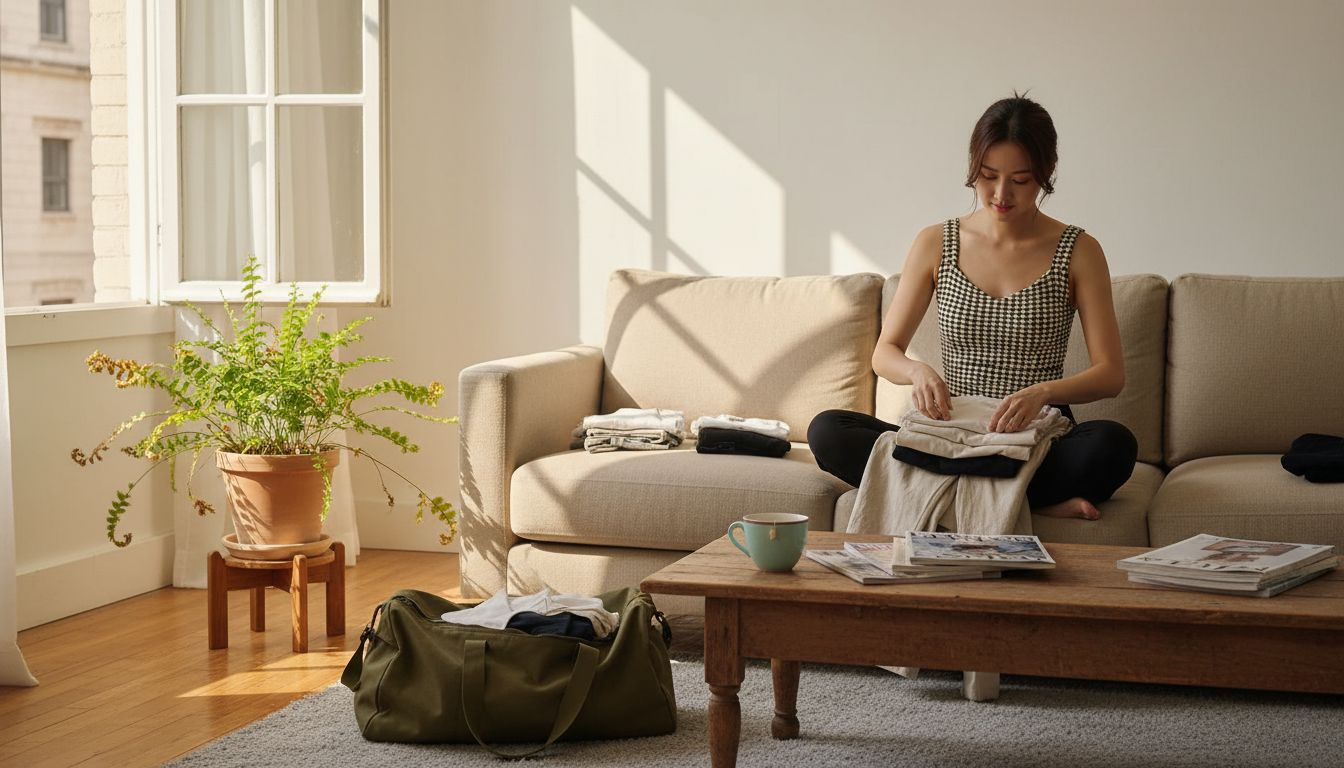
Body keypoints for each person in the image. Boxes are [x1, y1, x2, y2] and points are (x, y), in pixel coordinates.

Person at [809, 94, 1137, 521]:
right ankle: (1029, 500)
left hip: (1033, 435)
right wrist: (917, 371)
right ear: (973, 167)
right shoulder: (935, 242)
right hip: (949, 430)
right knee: (828, 431)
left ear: (1046, 174)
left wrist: (1043, 393)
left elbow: (1110, 374)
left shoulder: (1079, 250)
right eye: (988, 176)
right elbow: (885, 351)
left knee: (1112, 445)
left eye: (1020, 180)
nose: (1001, 194)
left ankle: (942, 489)